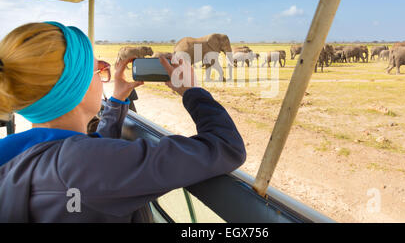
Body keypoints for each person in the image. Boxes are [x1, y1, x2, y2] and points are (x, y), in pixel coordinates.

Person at [0, 22, 246, 222]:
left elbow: (91, 160)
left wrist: (117, 100)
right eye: (98, 71)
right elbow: (227, 146)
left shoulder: (12, 152)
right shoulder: (85, 164)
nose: (103, 79)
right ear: (77, 88)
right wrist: (192, 91)